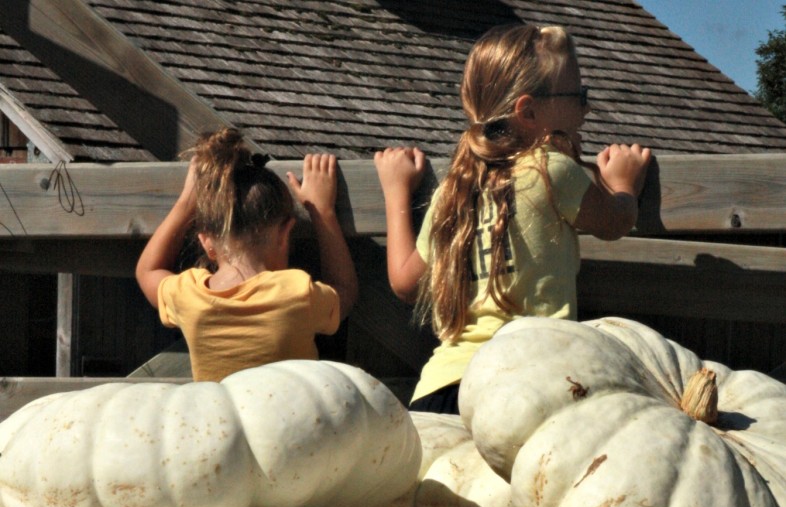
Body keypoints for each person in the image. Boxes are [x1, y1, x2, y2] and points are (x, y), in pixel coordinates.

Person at [374, 23, 652, 413]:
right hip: (524, 387)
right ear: (528, 110)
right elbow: (616, 222)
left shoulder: (454, 189)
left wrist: (395, 192)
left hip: (440, 391)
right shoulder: (551, 170)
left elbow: (405, 281)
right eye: (580, 96)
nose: (586, 108)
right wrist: (623, 183)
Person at [136, 127, 358, 382]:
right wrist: (322, 211)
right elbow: (345, 291)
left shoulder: (190, 294)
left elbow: (147, 271)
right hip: (290, 421)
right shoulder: (296, 292)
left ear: (207, 242)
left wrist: (187, 201)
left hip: (220, 422)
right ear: (285, 235)